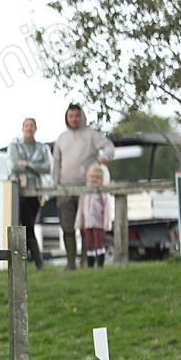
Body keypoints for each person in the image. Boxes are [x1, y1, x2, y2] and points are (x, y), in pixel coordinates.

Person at [52, 103, 114, 271]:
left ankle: (86, 261)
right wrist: (55, 184)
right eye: (71, 116)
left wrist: (105, 157)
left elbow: (109, 146)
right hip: (65, 188)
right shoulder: (61, 138)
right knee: (67, 225)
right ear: (67, 117)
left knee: (88, 225)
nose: (74, 119)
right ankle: (70, 263)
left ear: (82, 116)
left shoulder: (91, 134)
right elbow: (56, 163)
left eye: (77, 116)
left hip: (88, 189)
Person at [7, 118, 53, 270]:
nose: (29, 128)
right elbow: (14, 166)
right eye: (26, 125)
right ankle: (39, 263)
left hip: (37, 191)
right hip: (20, 190)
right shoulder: (15, 145)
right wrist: (35, 167)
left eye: (32, 125)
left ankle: (24, 260)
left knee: (28, 225)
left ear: (35, 128)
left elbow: (48, 167)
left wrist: (28, 164)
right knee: (28, 226)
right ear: (22, 128)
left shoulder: (42, 147)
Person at [75, 164, 113, 268]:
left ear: (101, 179)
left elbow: (107, 208)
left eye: (97, 177)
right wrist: (79, 223)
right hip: (88, 223)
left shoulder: (103, 192)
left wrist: (106, 222)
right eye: (92, 177)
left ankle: (100, 264)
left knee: (99, 243)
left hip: (99, 223)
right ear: (88, 178)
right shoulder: (85, 192)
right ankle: (90, 265)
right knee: (89, 244)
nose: (94, 179)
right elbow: (81, 208)